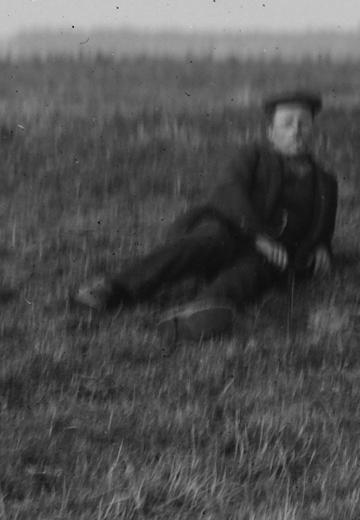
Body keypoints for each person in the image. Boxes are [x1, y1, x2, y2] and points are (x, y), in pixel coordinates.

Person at [73, 88, 339, 338]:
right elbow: (229, 192)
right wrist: (257, 236)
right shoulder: (254, 157)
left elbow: (322, 228)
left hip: (270, 255)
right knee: (203, 242)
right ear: (271, 132)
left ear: (313, 130)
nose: (296, 131)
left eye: (304, 124)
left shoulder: (325, 182)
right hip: (232, 230)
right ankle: (115, 288)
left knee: (249, 275)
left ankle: (201, 314)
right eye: (288, 124)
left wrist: (320, 248)